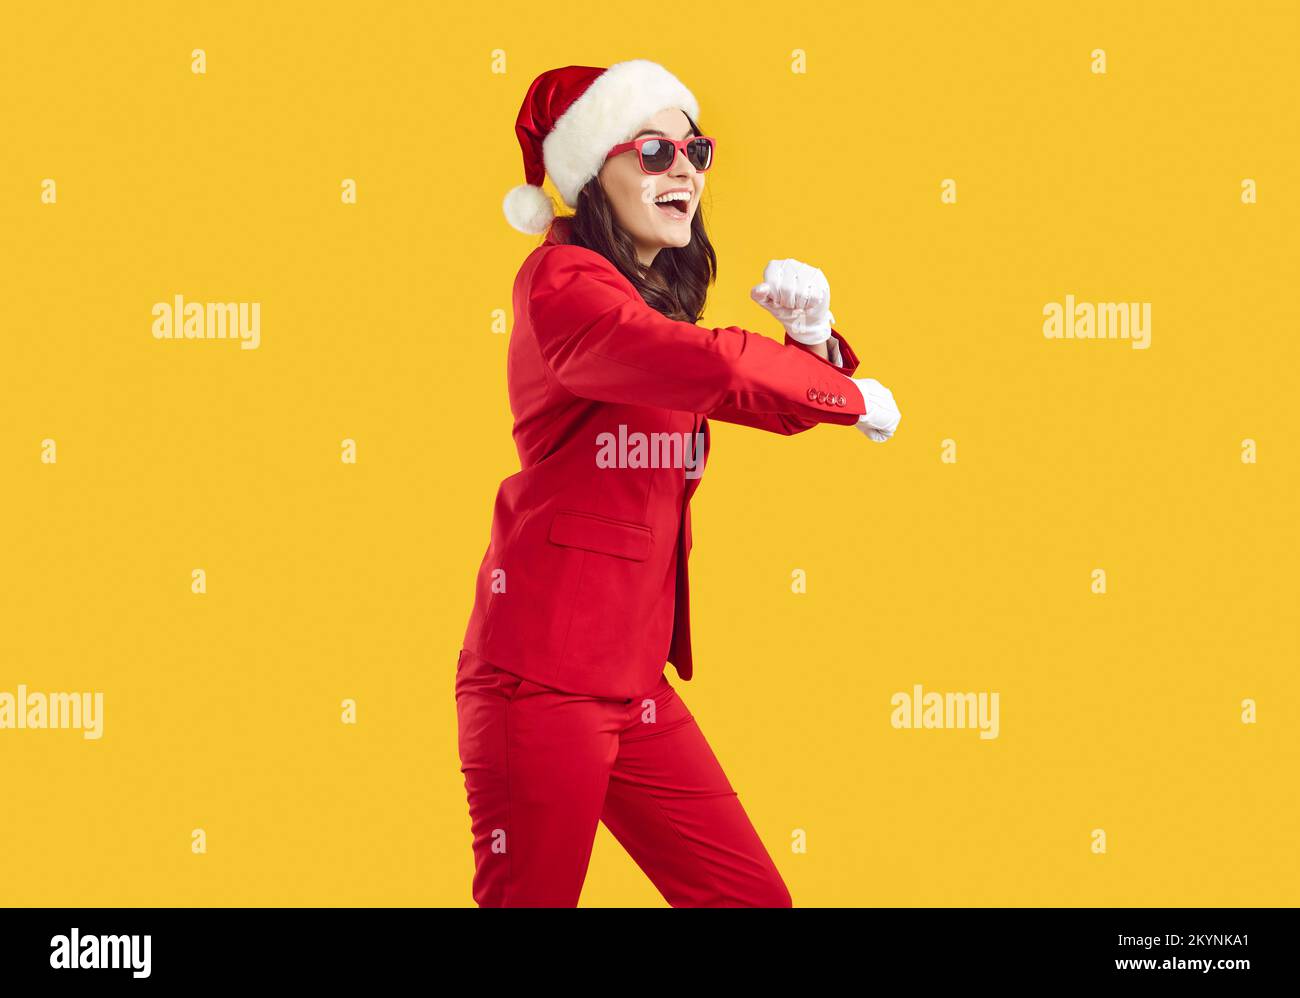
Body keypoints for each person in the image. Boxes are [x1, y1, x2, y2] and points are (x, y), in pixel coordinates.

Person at [455, 59, 902, 907]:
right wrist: (846, 396)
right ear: (593, 173)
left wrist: (812, 342)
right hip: (541, 679)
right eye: (655, 149)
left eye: (696, 148)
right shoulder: (564, 288)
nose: (686, 169)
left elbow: (745, 395)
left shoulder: (648, 304)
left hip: (633, 680)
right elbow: (708, 367)